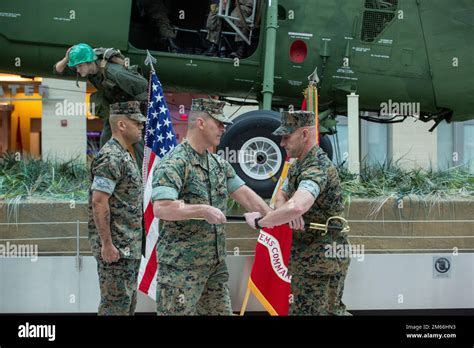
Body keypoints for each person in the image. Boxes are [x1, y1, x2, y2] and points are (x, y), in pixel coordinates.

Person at [151, 98, 271, 315]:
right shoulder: (175, 162)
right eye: (219, 123)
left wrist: (272, 218)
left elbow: (245, 195)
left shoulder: (217, 164)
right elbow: (162, 208)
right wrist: (202, 210)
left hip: (214, 266)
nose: (223, 129)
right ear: (201, 123)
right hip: (181, 268)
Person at [244, 111, 351, 316]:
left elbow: (298, 206)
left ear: (304, 134)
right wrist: (290, 208)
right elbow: (281, 197)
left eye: (287, 136)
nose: (282, 143)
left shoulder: (317, 166)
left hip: (322, 259)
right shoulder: (298, 164)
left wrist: (262, 221)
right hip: (306, 257)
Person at [88, 101, 145, 316]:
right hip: (117, 250)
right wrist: (107, 244)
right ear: (122, 125)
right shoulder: (111, 157)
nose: (141, 127)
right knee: (115, 309)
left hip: (127, 247)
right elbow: (99, 201)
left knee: (126, 306)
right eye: (137, 123)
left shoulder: (123, 154)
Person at [53, 43, 148, 169]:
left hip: (131, 106)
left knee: (137, 141)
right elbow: (57, 71)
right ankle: (106, 173)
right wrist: (66, 59)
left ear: (90, 62)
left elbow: (142, 84)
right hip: (115, 107)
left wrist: (140, 114)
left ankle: (145, 178)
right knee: (106, 140)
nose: (78, 69)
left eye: (79, 66)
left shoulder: (114, 72)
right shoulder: (86, 67)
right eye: (76, 66)